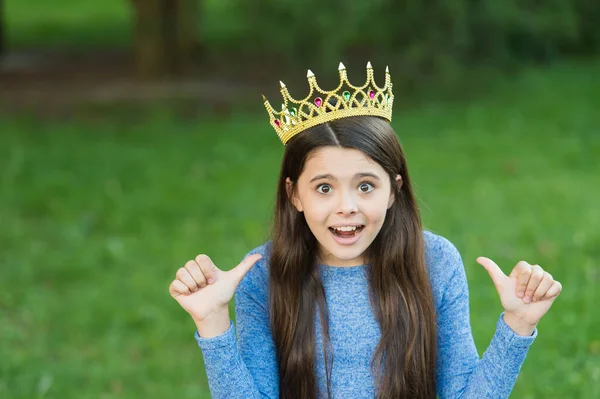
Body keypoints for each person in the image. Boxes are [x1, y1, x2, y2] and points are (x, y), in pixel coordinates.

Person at [168, 62, 563, 399]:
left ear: (394, 190)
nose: (346, 206)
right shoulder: (265, 272)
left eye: (365, 186)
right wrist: (213, 322)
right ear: (294, 194)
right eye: (324, 187)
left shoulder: (435, 261)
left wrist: (518, 324)